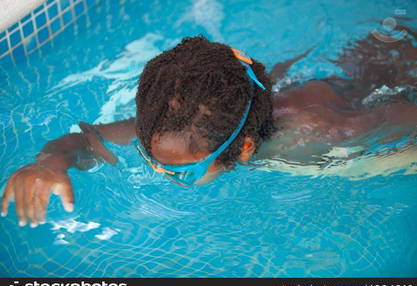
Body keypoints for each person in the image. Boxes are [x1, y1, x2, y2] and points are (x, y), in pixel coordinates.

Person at [2, 32, 417, 227]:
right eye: (150, 156)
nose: (159, 173)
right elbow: (81, 142)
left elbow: (396, 118)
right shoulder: (173, 130)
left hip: (386, 74)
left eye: (183, 172)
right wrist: (49, 162)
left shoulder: (322, 133)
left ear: (246, 149)